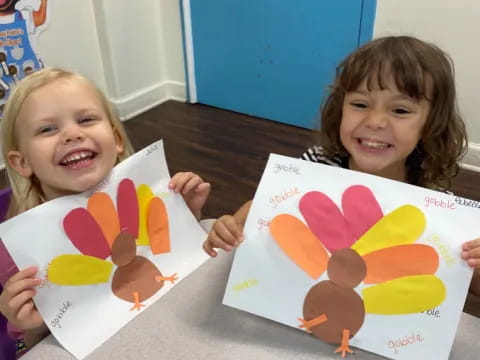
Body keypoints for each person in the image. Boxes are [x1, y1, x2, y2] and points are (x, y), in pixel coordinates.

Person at [203, 35, 480, 299]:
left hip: (379, 321)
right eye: (360, 104)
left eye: (400, 110)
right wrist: (231, 225)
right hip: (300, 302)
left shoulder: (438, 206)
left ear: (430, 124)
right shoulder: (317, 162)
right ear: (340, 109)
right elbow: (264, 209)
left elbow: (463, 280)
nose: (375, 122)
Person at [0, 67, 210, 357]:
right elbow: (34, 350)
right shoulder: (19, 254)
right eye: (47, 129)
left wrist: (188, 215)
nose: (72, 134)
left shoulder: (147, 195)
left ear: (116, 138)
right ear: (21, 162)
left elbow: (179, 261)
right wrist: (29, 326)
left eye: (86, 119)